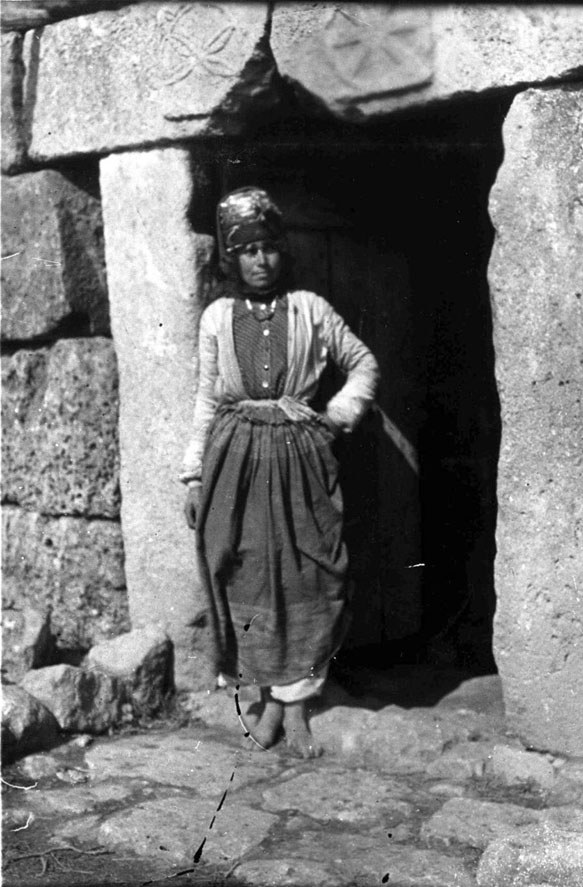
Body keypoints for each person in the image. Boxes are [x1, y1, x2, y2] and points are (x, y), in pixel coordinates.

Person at [181, 186, 379, 758]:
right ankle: (268, 699)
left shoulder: (312, 310)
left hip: (301, 458)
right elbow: (205, 398)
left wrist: (334, 417)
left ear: (281, 251)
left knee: (308, 574)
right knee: (243, 572)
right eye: (246, 251)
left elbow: (363, 364)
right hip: (234, 462)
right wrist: (194, 475)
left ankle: (297, 708)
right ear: (231, 258)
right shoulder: (218, 317)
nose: (259, 260)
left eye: (267, 248)